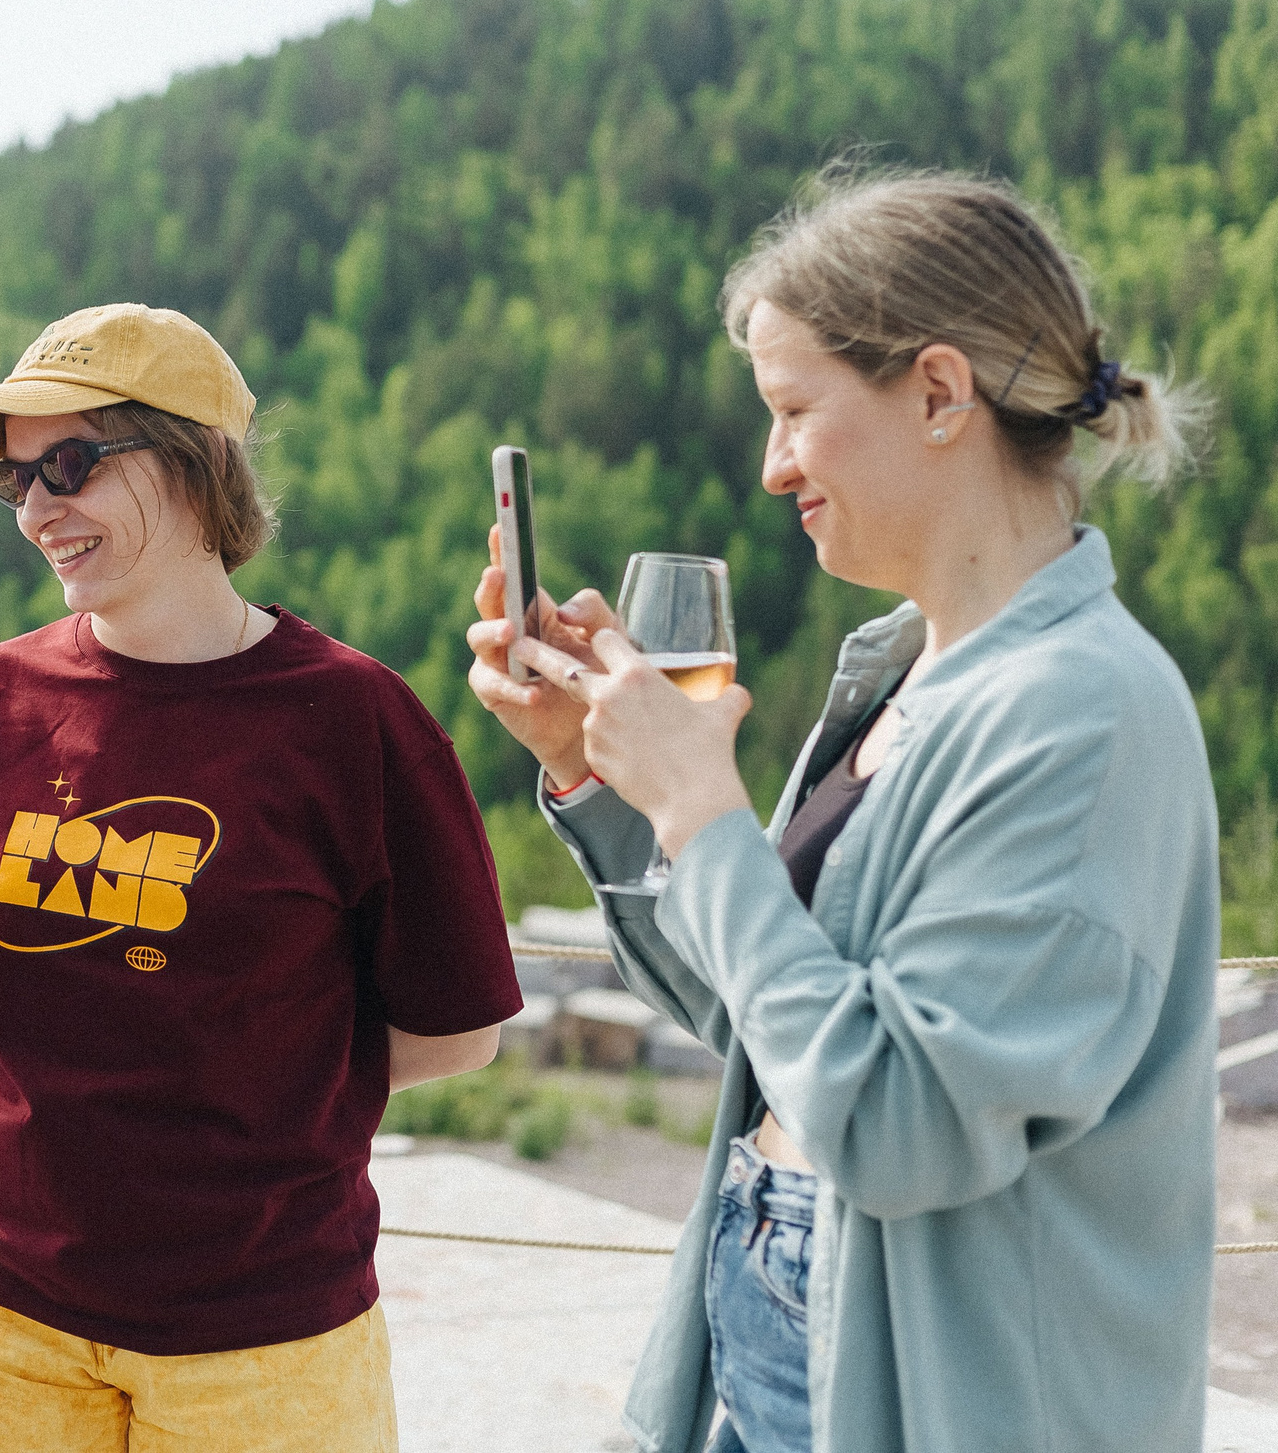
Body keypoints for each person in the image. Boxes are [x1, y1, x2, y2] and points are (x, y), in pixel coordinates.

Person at [466, 170, 1218, 1453]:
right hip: (779, 1337)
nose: (769, 467)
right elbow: (765, 1016)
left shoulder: (1081, 717)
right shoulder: (899, 671)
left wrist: (705, 807)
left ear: (937, 393)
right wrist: (600, 784)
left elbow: (896, 1126)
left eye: (794, 410)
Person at [0, 303, 523, 1453]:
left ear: (194, 460)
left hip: (258, 1335)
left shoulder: (355, 723)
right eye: (13, 482)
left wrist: (258, 1103)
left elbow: (458, 1033)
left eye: (67, 464)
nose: (37, 510)